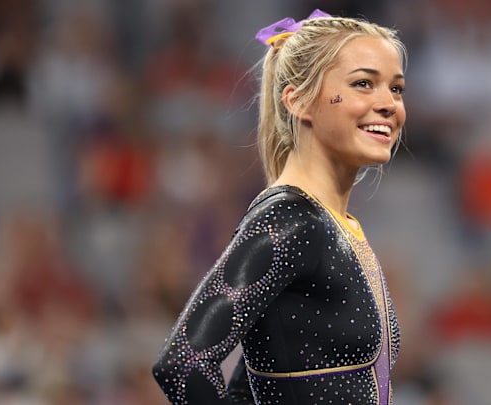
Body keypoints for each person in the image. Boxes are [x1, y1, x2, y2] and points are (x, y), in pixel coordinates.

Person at [152, 9, 407, 404]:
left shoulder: (330, 224)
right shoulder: (291, 221)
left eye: (396, 88)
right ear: (299, 101)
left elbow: (247, 387)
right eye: (363, 84)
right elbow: (183, 363)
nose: (389, 104)